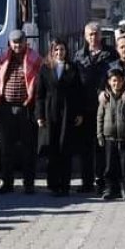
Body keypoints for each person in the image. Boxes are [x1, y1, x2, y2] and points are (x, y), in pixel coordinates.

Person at [0, 30, 42, 194]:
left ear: (25, 42)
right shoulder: (2, 59)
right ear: (10, 43)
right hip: (7, 108)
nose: (17, 45)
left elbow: (40, 83)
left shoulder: (35, 58)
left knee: (29, 148)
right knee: (7, 148)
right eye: (14, 42)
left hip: (27, 108)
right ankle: (7, 183)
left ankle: (29, 183)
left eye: (20, 42)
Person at [37, 40, 85, 197]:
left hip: (68, 111)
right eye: (56, 50)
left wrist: (79, 113)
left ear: (66, 51)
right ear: (52, 51)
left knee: (65, 147)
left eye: (62, 49)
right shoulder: (45, 68)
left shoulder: (73, 68)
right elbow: (40, 94)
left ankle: (65, 184)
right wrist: (40, 115)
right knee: (52, 147)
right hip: (50, 111)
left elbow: (78, 92)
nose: (59, 52)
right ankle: (53, 184)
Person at [74, 22, 115, 193]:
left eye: (96, 34)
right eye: (90, 34)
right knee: (85, 148)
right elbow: (75, 82)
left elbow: (115, 77)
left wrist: (105, 91)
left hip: (103, 107)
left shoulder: (110, 54)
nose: (93, 37)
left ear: (101, 35)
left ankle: (102, 181)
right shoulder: (79, 55)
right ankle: (86, 182)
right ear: (85, 36)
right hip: (84, 108)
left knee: (102, 146)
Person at [97, 68, 125, 200]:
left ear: (123, 81)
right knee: (109, 166)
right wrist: (99, 134)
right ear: (109, 82)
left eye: (119, 80)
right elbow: (100, 117)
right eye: (114, 81)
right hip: (109, 138)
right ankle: (110, 188)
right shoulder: (105, 98)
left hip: (124, 138)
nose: (117, 83)